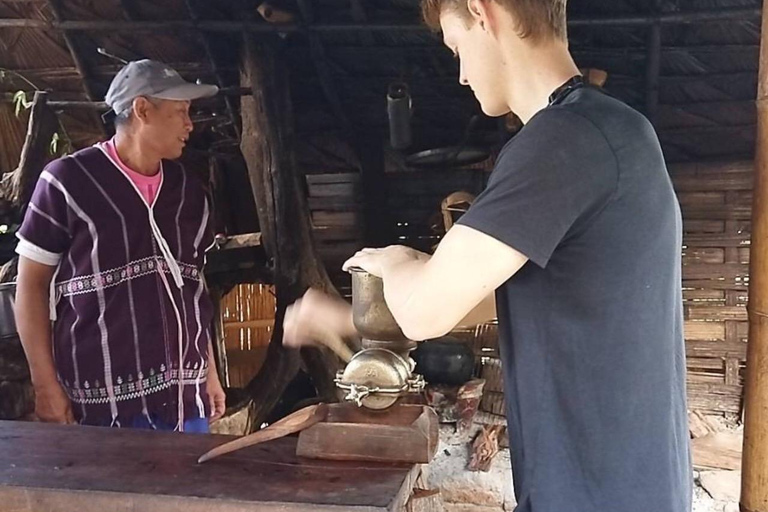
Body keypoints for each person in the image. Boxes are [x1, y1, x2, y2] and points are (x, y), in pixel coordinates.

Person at [283, 1, 691, 511]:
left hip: (596, 494)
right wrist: (346, 318)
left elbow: (425, 311)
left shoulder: (561, 140)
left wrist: (392, 262)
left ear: (482, 12)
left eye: (457, 47)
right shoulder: (615, 131)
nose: (460, 75)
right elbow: (480, 298)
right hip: (620, 487)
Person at [15, 59, 226, 433]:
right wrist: (44, 385)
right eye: (180, 112)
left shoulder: (187, 191)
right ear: (142, 109)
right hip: (101, 404)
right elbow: (30, 286)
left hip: (185, 398)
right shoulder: (67, 182)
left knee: (187, 491)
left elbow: (193, 288)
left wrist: (208, 372)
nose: (190, 125)